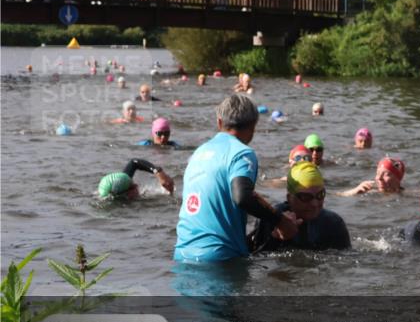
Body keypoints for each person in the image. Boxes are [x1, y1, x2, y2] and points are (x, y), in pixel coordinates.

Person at [174, 94, 298, 262]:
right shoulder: (242, 153)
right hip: (219, 259)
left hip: (182, 254)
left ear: (219, 123)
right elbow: (242, 196)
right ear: (253, 126)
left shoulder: (198, 153)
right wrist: (281, 222)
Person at [248, 162, 351, 252]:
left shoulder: (334, 224)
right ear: (289, 197)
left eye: (320, 195)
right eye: (306, 197)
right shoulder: (271, 219)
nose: (314, 204)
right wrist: (276, 238)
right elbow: (256, 262)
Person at [97, 158, 174, 200]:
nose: (136, 185)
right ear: (126, 194)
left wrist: (158, 172)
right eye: (132, 186)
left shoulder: (120, 183)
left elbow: (134, 162)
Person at [340, 157, 405, 196]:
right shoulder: (369, 193)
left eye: (386, 174)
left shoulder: (407, 196)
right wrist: (354, 191)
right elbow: (336, 195)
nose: (379, 178)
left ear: (398, 179)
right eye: (378, 173)